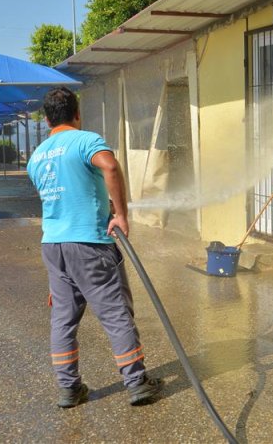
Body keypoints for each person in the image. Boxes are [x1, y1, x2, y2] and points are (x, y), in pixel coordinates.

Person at [27, 86, 162, 409]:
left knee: (63, 320)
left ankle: (69, 389)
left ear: (46, 120)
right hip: (89, 243)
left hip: (53, 246)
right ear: (77, 114)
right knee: (116, 313)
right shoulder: (85, 139)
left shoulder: (36, 156)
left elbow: (56, 201)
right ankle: (136, 382)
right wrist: (121, 214)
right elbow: (109, 166)